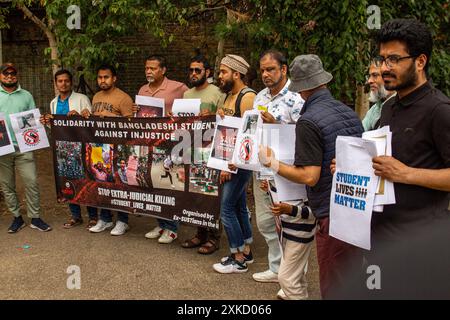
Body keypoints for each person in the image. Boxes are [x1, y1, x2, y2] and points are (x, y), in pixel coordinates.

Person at [258, 54, 364, 298]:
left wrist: (273, 163)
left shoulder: (308, 120)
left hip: (329, 211)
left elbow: (309, 176)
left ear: (301, 89)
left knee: (333, 282)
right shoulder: (347, 112)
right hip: (354, 204)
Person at [370, 19, 450, 253]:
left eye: (394, 59)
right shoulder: (388, 107)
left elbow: (400, 170)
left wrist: (406, 173)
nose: (385, 67)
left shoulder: (439, 110)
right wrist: (350, 167)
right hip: (380, 239)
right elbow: (385, 162)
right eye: (382, 59)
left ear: (420, 61)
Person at [251, 49, 305, 283]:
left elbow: (305, 134)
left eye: (271, 69)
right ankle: (276, 269)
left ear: (283, 69)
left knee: (290, 223)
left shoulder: (297, 97)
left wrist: (278, 124)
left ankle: (295, 274)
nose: (265, 74)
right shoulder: (260, 96)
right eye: (262, 70)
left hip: (285, 171)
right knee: (265, 221)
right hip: (262, 168)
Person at [212, 54, 256, 274]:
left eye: (223, 72)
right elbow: (228, 127)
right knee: (238, 207)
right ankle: (246, 251)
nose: (219, 76)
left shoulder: (247, 97)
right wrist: (221, 116)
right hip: (229, 159)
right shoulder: (229, 96)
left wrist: (230, 164)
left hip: (237, 163)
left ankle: (237, 258)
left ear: (236, 74)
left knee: (226, 210)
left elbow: (249, 135)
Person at [40, 69, 99, 229]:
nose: (63, 83)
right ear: (56, 83)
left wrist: (78, 115)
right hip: (63, 148)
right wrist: (47, 121)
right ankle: (75, 216)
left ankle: (93, 216)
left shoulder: (81, 98)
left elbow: (90, 120)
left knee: (86, 180)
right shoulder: (54, 102)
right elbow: (56, 128)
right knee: (68, 181)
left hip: (81, 146)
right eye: (60, 81)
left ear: (71, 82)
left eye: (66, 80)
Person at [139, 55, 187, 244]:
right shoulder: (142, 89)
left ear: (163, 70)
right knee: (152, 183)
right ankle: (161, 223)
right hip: (149, 144)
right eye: (146, 68)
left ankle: (172, 228)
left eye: (153, 68)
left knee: (168, 184)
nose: (148, 71)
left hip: (171, 144)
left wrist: (177, 115)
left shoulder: (179, 88)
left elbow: (192, 108)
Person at [181, 55, 225, 254]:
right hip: (192, 149)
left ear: (207, 72)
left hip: (212, 151)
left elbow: (224, 122)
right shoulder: (186, 95)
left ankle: (214, 238)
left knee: (211, 195)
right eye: (190, 70)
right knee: (195, 194)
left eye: (197, 70)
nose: (193, 74)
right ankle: (200, 234)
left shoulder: (217, 93)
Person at [0, 62, 52, 233]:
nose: (9, 76)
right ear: (0, 76)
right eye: (5, 73)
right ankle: (16, 218)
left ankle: (35, 218)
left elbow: (32, 119)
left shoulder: (26, 95)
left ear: (17, 75)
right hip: (3, 148)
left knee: (31, 181)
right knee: (7, 185)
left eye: (12, 73)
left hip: (24, 147)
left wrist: (41, 121)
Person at [84, 64, 133, 236]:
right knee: (101, 183)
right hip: (99, 147)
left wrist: (115, 118)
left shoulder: (124, 98)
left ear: (114, 78)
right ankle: (105, 219)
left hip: (118, 148)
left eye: (106, 77)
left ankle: (122, 221)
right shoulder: (96, 96)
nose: (102, 80)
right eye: (99, 77)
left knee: (119, 184)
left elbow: (131, 126)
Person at [260, 180, 316, 300]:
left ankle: (299, 295)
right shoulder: (287, 179)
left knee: (286, 278)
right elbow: (284, 197)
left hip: (300, 234)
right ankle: (300, 291)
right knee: (295, 272)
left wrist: (290, 210)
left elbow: (314, 212)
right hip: (287, 231)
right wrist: (270, 190)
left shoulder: (309, 181)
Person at [362, 61, 395, 131]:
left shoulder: (401, 107)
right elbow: (361, 133)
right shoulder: (375, 108)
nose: (369, 81)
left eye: (375, 75)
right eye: (369, 76)